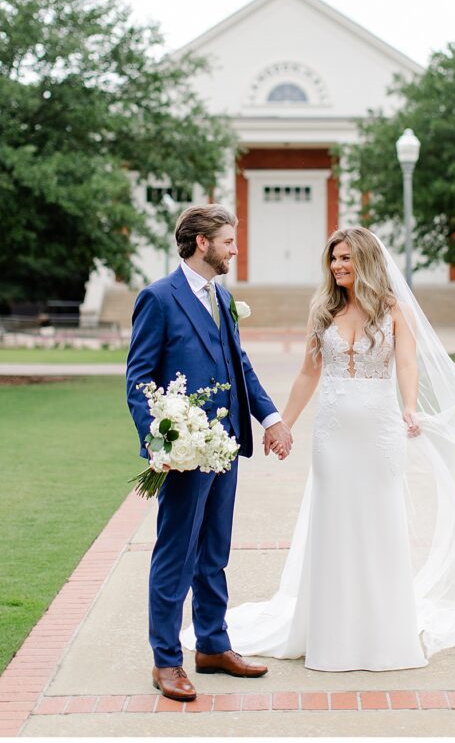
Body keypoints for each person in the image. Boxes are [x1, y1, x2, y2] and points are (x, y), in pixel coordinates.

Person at [202, 225, 455, 671]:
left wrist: (411, 408)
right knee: (334, 524)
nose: (338, 265)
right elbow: (307, 374)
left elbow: (407, 361)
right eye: (334, 259)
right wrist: (283, 424)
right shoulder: (322, 310)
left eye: (346, 258)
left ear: (367, 261)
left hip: (379, 433)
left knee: (380, 524)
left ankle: (383, 632)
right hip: (333, 436)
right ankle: (333, 633)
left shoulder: (394, 309)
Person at [126, 204, 293, 701]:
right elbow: (139, 380)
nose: (234, 250)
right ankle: (166, 660)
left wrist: (272, 417)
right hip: (184, 452)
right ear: (202, 243)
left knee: (214, 552)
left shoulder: (222, 295)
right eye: (228, 242)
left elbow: (238, 364)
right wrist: (160, 442)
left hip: (226, 449)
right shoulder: (158, 298)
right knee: (176, 553)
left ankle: (213, 646)